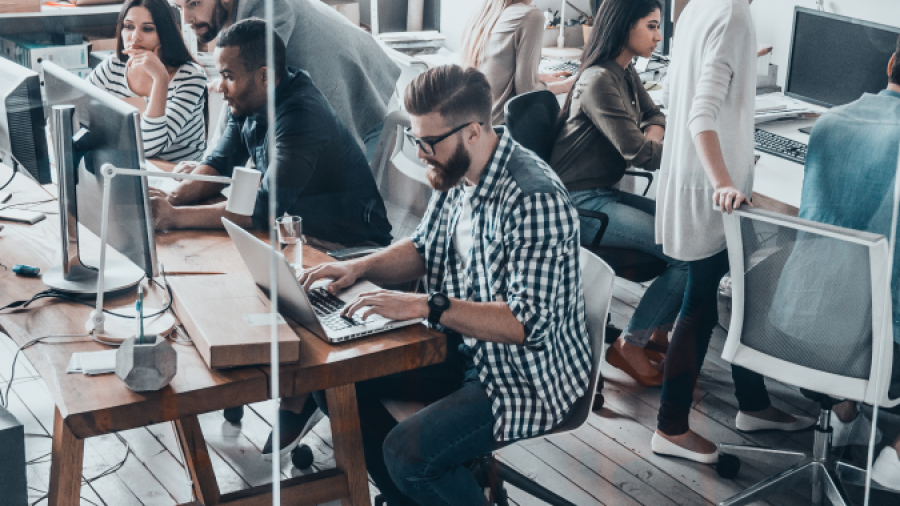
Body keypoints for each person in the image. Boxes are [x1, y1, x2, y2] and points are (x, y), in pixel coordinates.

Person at [299, 64, 592, 506]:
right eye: (417, 139)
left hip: (526, 375)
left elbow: (524, 325)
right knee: (334, 380)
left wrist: (424, 305)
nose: (420, 152)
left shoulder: (534, 198)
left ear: (473, 131)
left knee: (406, 455)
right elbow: (424, 248)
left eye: (428, 142)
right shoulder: (456, 172)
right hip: (463, 345)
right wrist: (359, 268)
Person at [651, 0, 814, 464]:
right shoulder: (733, 15)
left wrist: (744, 62)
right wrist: (724, 181)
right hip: (711, 190)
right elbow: (700, 116)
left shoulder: (699, 9)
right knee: (700, 306)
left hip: (691, 178)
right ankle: (671, 426)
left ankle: (753, 404)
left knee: (741, 292)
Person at [769, 37, 900, 491]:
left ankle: (845, 411)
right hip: (874, 345)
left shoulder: (829, 122)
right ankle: (896, 458)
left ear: (889, 64)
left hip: (799, 325)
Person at [150, 18, 392, 245]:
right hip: (299, 232)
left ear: (264, 76)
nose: (220, 87)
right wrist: (171, 198)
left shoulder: (302, 115)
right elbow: (220, 163)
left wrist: (175, 217)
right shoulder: (248, 101)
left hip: (344, 246)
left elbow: (263, 209)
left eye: (228, 76)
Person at [549, 0, 686, 387]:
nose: (659, 37)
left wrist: (651, 132)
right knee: (685, 253)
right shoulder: (599, 80)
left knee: (697, 239)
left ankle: (656, 333)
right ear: (626, 26)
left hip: (601, 194)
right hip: (581, 205)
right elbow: (641, 154)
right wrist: (658, 141)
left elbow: (654, 117)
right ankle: (631, 344)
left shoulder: (623, 72)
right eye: (652, 26)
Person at [171, 0, 400, 161]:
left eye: (194, 3)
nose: (187, 18)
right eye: (178, 7)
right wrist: (211, 166)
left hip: (365, 98)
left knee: (346, 213)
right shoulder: (234, 18)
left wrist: (210, 166)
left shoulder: (268, 5)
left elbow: (242, 91)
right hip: (331, 100)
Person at [88, 0, 207, 162]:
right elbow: (77, 114)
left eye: (148, 29)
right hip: (125, 165)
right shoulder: (113, 66)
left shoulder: (191, 76)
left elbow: (148, 147)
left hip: (175, 177)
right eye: (128, 26)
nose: (135, 37)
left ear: (164, 33)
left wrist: (160, 78)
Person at [459, 0, 576, 125]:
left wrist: (539, 77)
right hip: (502, 127)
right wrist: (565, 85)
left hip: (474, 126)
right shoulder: (530, 15)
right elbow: (527, 91)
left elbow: (493, 71)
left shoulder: (484, 12)